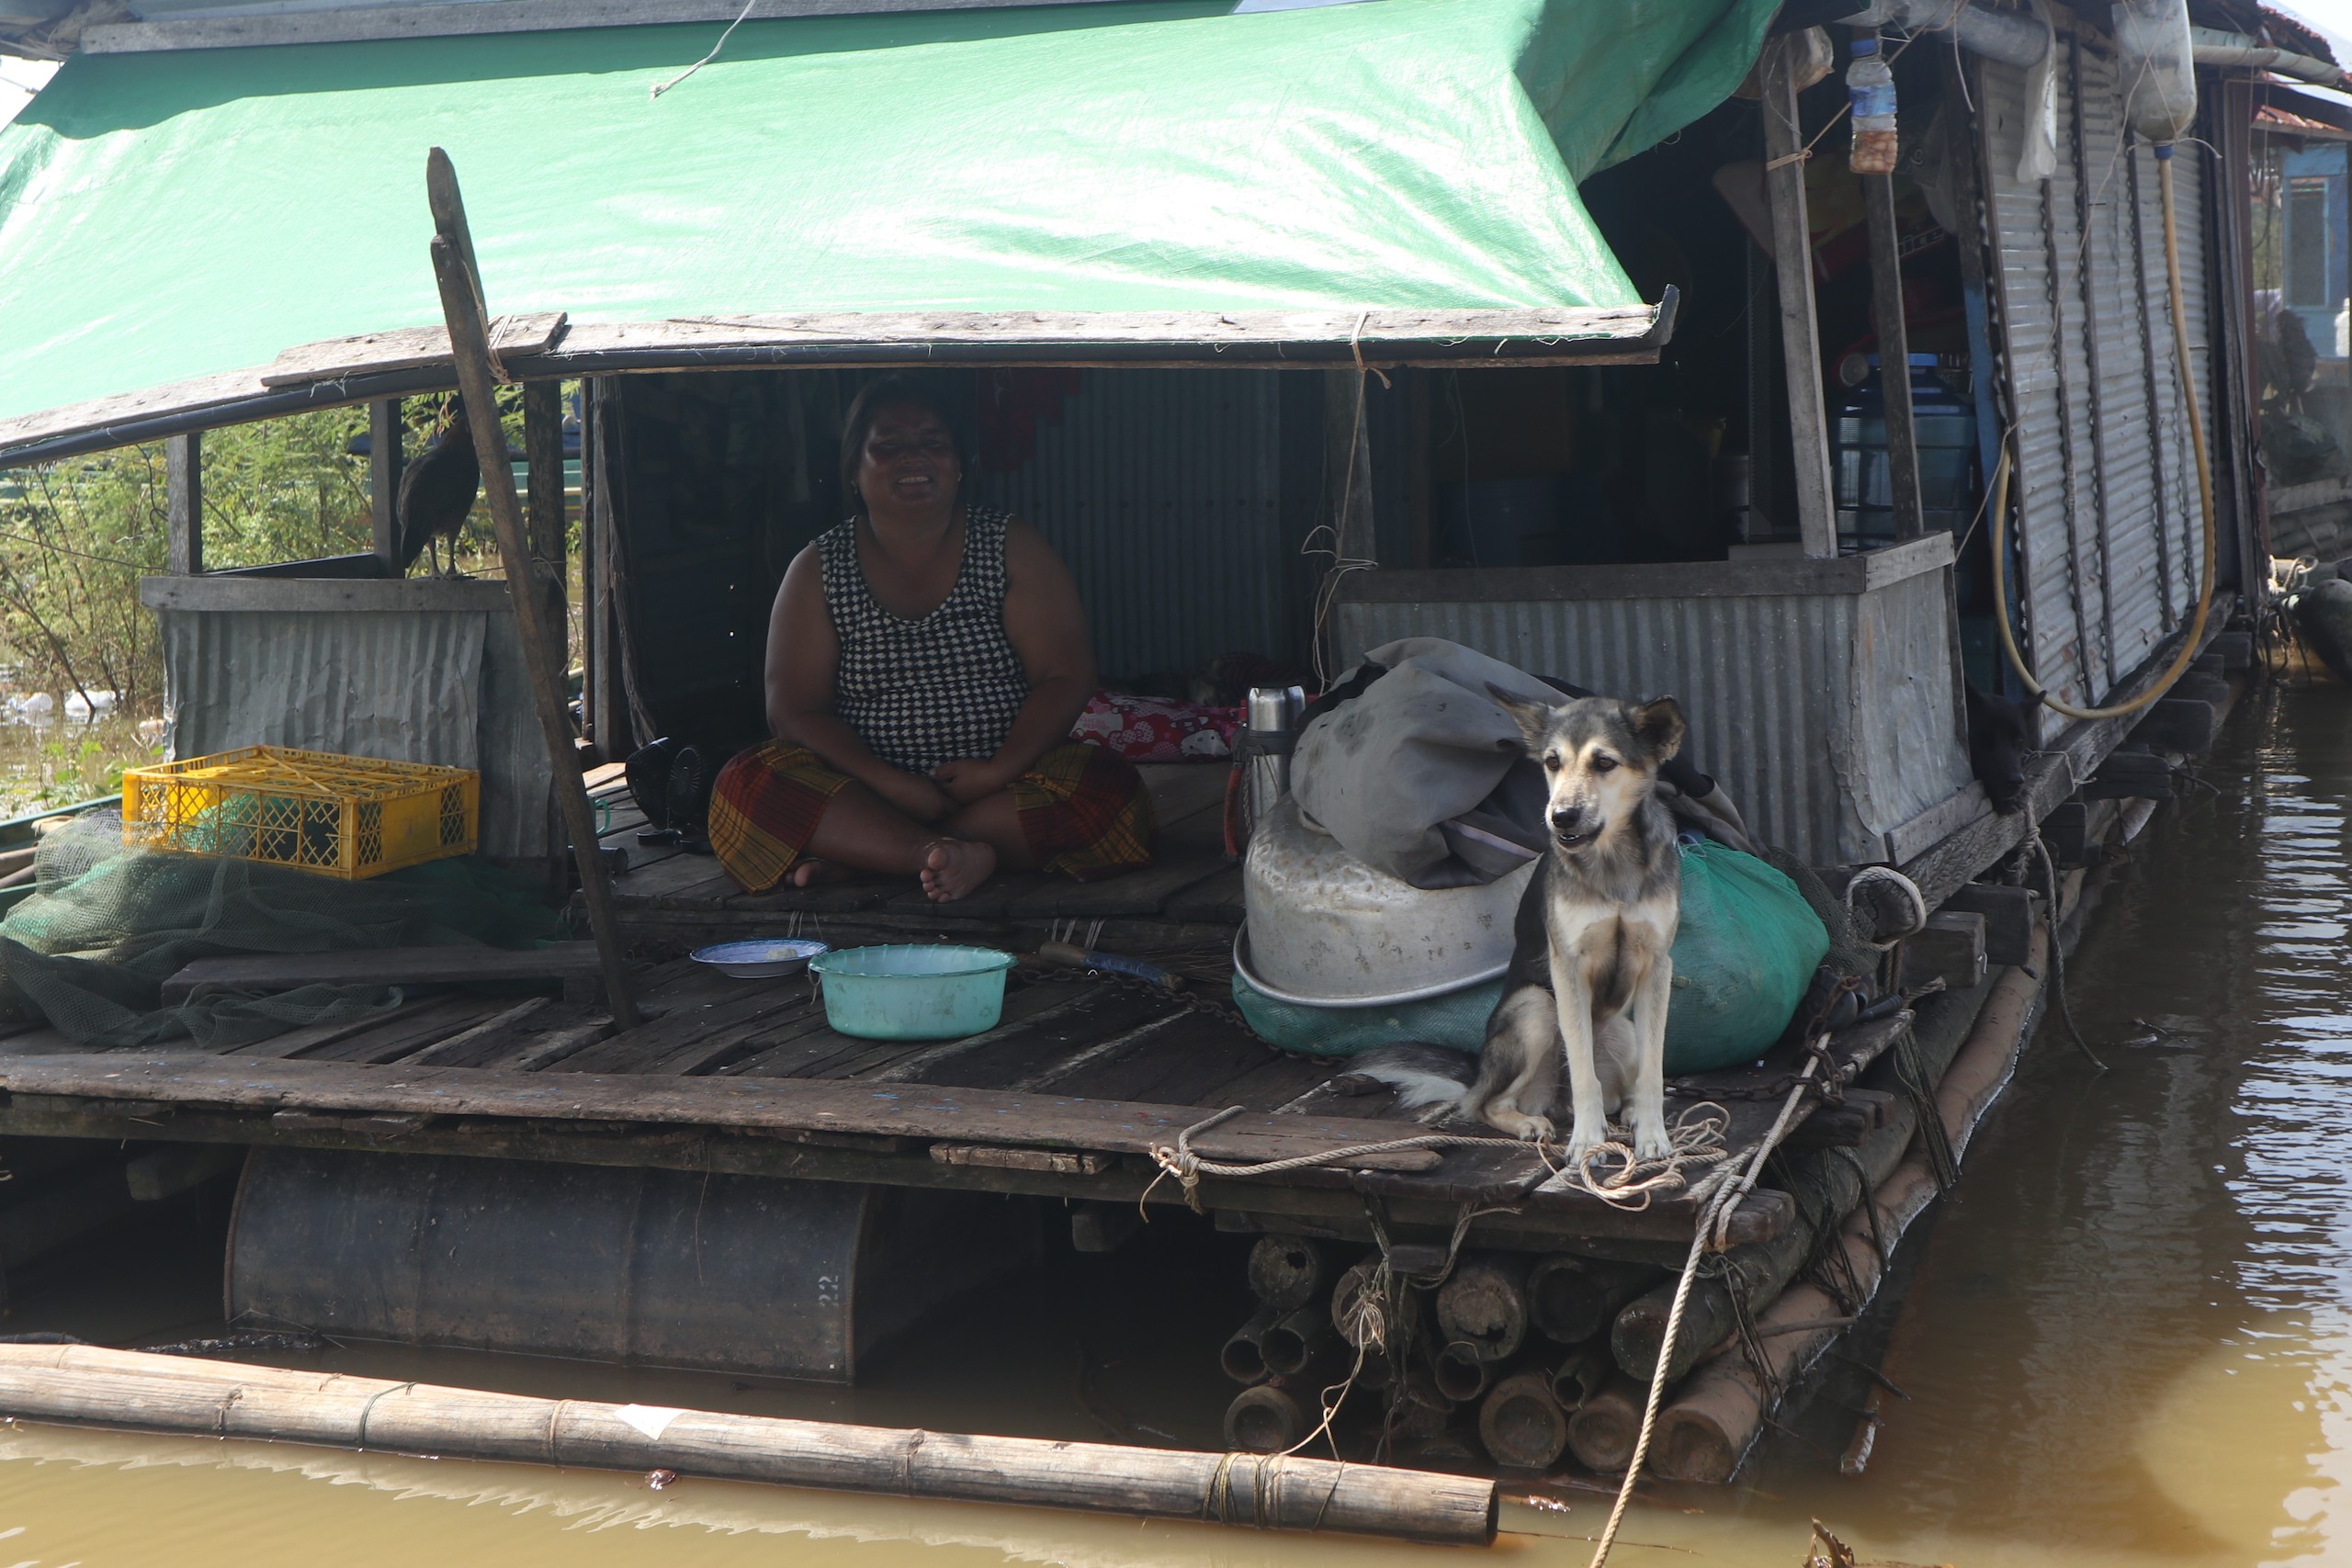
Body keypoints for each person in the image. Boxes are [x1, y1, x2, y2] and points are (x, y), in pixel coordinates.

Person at [708, 375, 1155, 902]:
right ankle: (937, 855)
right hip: (866, 792)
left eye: (933, 442)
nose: (912, 457)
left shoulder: (1010, 544)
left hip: (1004, 789)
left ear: (960, 465)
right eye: (888, 445)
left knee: (1110, 792)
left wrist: (997, 771)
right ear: (854, 470)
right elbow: (794, 712)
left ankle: (874, 856)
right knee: (746, 786)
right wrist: (890, 784)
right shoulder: (817, 567)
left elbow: (1065, 674)